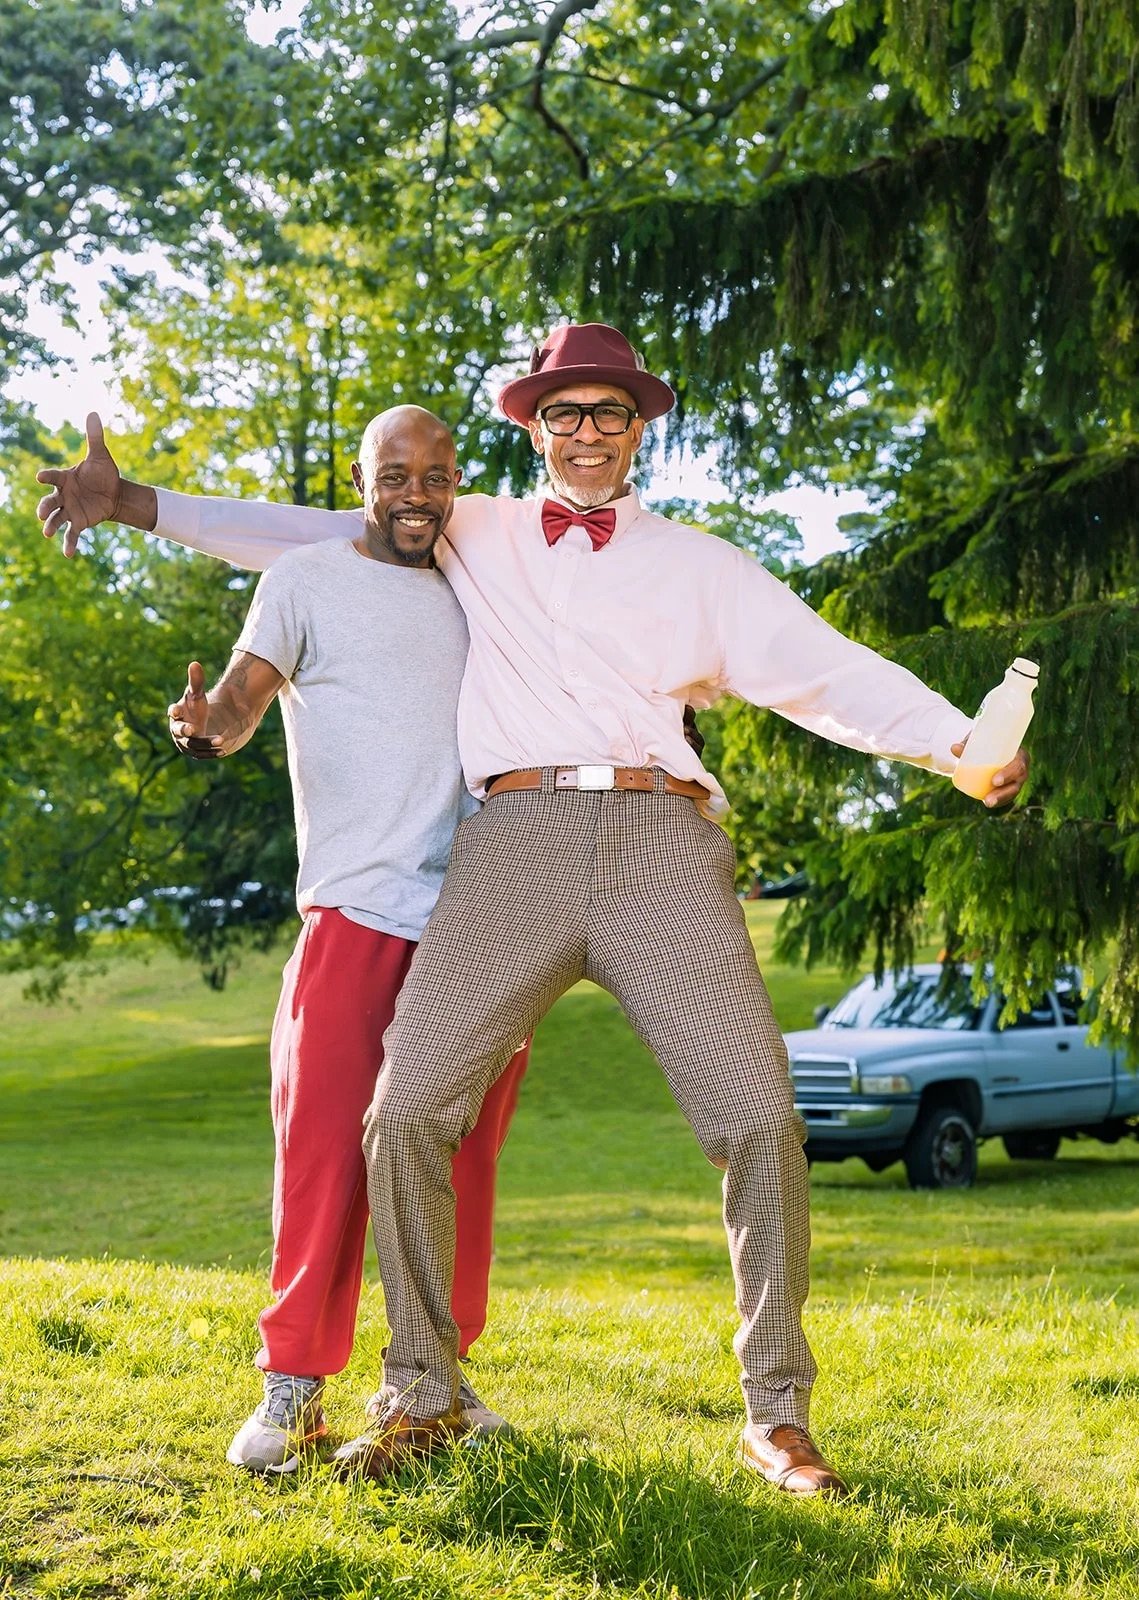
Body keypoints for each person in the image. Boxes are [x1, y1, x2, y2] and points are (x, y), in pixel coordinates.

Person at [37, 325, 1028, 1496]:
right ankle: (417, 1391)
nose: (588, 433)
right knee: (402, 1112)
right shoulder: (473, 525)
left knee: (759, 1118)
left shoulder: (699, 563)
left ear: (639, 427)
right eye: (566, 413)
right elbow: (310, 535)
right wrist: (140, 503)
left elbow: (819, 665)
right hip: (509, 839)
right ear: (534, 428)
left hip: (661, 836)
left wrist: (953, 747)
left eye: (610, 412)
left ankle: (775, 1410)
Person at [40, 406, 531, 1475]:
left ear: (459, 481)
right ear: (357, 479)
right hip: (354, 908)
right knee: (322, 1157)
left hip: (479, 923)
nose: (416, 493)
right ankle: (294, 1386)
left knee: (462, 1158)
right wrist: (203, 723)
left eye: (436, 475)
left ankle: (436, 1377)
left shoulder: (487, 579)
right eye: (393, 474)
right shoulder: (305, 577)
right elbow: (242, 700)